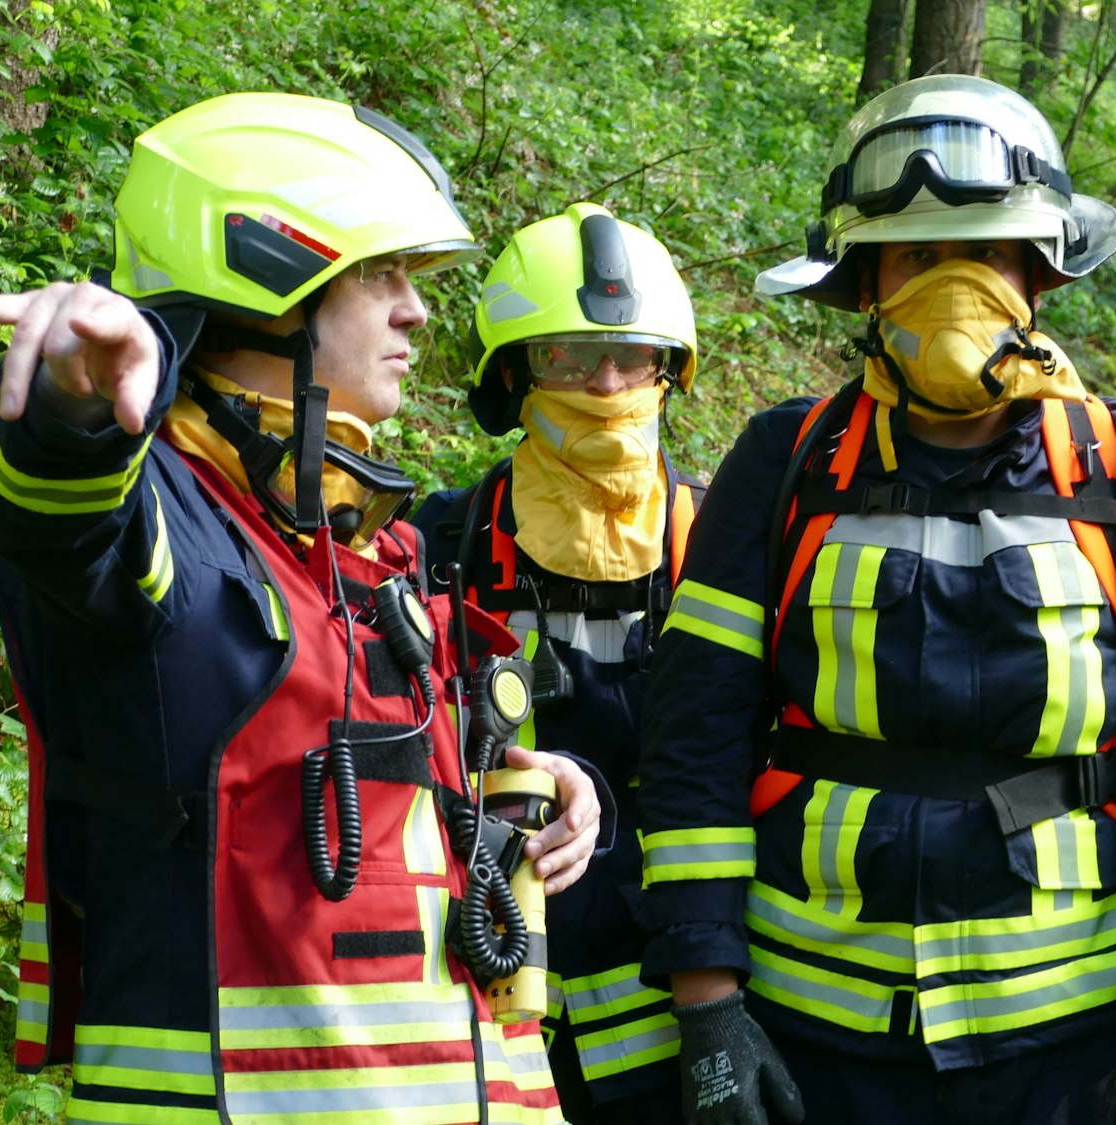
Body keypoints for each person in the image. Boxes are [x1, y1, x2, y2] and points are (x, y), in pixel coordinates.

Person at [0, 92, 604, 1124]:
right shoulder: (169, 517)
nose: (415, 312)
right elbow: (59, 523)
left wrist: (525, 786)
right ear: (269, 283)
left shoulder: (362, 541)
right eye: (381, 275)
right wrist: (74, 411)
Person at [635, 75, 1116, 1125]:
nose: (951, 286)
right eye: (919, 256)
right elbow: (692, 736)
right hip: (816, 1035)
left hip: (1069, 1039)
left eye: (981, 254)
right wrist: (707, 1005)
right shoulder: (785, 461)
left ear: (1037, 274)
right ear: (865, 282)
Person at [412, 202, 703, 1122]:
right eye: (568, 356)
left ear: (669, 374)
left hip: (667, 1006)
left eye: (632, 358)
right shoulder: (441, 544)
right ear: (514, 377)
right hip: (478, 985)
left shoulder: (716, 543)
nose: (605, 383)